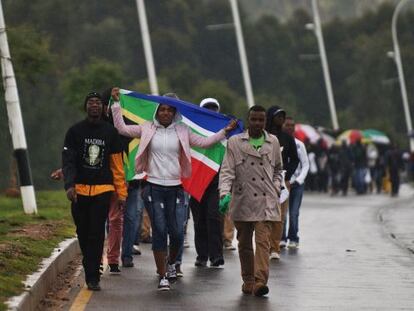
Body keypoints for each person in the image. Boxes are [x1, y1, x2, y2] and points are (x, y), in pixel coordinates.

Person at [110, 88, 237, 291]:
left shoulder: (183, 131)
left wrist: (225, 131)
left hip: (177, 188)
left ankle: (171, 265)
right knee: (159, 231)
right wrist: (116, 104)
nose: (166, 113)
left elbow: (205, 142)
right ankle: (162, 276)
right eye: (162, 110)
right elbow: (122, 129)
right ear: (157, 111)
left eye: (170, 110)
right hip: (154, 187)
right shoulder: (147, 128)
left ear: (175, 112)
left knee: (177, 233)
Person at [62, 92, 127, 291]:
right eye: (91, 102)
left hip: (102, 190)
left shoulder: (111, 132)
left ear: (103, 108)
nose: (95, 106)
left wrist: (121, 193)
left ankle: (93, 277)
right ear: (86, 107)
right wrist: (69, 185)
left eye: (98, 103)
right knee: (83, 231)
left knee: (97, 233)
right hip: (79, 191)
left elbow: (117, 165)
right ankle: (90, 263)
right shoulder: (74, 131)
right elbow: (69, 161)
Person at [219, 105, 283, 297]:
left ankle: (260, 281)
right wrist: (224, 193)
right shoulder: (235, 142)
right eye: (253, 119)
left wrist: (277, 186)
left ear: (265, 122)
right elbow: (227, 171)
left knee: (263, 242)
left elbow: (279, 169)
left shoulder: (273, 142)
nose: (257, 123)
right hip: (243, 199)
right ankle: (248, 280)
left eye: (261, 120)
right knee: (244, 242)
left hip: (266, 201)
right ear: (248, 121)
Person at [189, 98, 225, 268]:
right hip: (196, 181)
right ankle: (202, 255)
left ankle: (216, 255)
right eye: (207, 108)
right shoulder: (192, 129)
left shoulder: (226, 132)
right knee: (199, 220)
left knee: (213, 218)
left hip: (215, 183)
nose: (211, 111)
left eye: (214, 108)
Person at [266, 106, 299, 259]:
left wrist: (287, 176)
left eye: (283, 116)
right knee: (263, 215)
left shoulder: (287, 137)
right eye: (278, 116)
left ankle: (275, 247)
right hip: (262, 180)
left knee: (279, 215)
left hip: (282, 181)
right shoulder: (262, 135)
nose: (281, 119)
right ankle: (264, 244)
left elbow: (294, 159)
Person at [281, 116, 309, 248]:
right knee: (282, 214)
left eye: (292, 125)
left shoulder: (299, 144)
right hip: (283, 183)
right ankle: (281, 238)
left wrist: (298, 180)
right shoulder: (277, 143)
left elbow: (306, 165)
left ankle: (293, 238)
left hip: (297, 185)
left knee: (293, 213)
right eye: (287, 125)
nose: (290, 127)